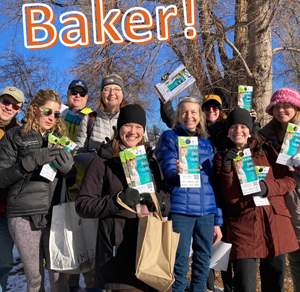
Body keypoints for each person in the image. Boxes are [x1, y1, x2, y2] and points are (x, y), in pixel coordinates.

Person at [75, 104, 171, 291]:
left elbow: (166, 198)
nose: (133, 132)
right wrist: (116, 201)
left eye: (138, 127)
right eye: (128, 125)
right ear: (119, 127)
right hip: (116, 254)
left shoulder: (149, 159)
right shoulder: (104, 158)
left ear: (143, 131)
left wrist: (161, 202)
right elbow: (83, 204)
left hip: (151, 251)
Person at [214, 107, 299, 292]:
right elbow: (230, 198)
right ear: (228, 130)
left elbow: (288, 180)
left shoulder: (265, 150)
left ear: (249, 129)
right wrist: (228, 168)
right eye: (233, 126)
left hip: (274, 223)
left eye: (243, 126)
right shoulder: (221, 157)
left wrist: (267, 187)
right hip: (244, 227)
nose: (238, 131)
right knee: (245, 284)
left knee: (275, 283)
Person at [0, 89, 76, 292]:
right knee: (34, 279)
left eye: (57, 114)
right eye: (47, 112)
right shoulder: (15, 136)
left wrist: (70, 171)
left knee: (59, 276)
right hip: (23, 216)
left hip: (55, 215)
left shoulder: (61, 139)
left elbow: (69, 181)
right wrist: (30, 162)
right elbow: (1, 178)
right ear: (34, 110)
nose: (52, 118)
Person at [155, 97, 223, 292]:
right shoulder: (169, 137)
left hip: (207, 211)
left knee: (203, 259)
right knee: (179, 259)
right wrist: (177, 174)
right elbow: (168, 173)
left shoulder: (207, 143)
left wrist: (217, 220)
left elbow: (213, 184)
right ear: (178, 116)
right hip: (181, 209)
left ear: (200, 116)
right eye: (184, 112)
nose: (189, 116)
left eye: (193, 112)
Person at [259, 87, 300, 291]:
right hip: (281, 200)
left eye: (286, 106)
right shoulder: (265, 135)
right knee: (293, 254)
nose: (281, 110)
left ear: (295, 108)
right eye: (277, 107)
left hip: (298, 195)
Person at [61, 80, 100, 292]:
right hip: (59, 186)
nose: (77, 95)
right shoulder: (58, 115)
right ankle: (71, 284)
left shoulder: (91, 116)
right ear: (67, 94)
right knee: (66, 236)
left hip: (83, 186)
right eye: (74, 92)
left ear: (87, 97)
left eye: (82, 93)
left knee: (87, 237)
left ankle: (92, 283)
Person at [73, 74, 128, 169]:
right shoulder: (89, 119)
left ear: (122, 94)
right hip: (97, 180)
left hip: (124, 180)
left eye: (117, 89)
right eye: (107, 89)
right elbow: (77, 155)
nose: (112, 93)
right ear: (102, 95)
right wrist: (98, 157)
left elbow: (143, 150)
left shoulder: (131, 117)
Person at [0, 86, 25, 292]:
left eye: (14, 105)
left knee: (4, 262)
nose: (9, 107)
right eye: (5, 101)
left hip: (5, 209)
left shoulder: (19, 134)